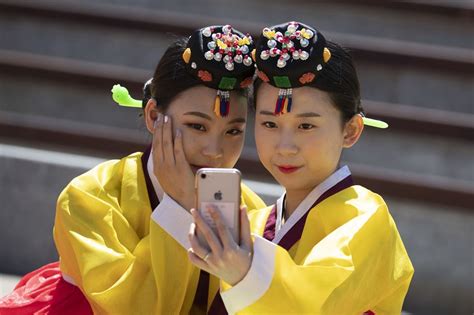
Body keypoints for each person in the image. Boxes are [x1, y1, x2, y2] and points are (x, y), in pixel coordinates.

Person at [0, 25, 265, 314]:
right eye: (197, 126)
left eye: (234, 131)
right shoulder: (91, 196)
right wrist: (179, 207)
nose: (214, 150)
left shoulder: (251, 212)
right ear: (154, 116)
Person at [188, 21, 414, 315]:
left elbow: (313, 306)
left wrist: (245, 274)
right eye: (270, 124)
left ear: (351, 130)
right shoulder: (256, 223)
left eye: (306, 125)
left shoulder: (366, 217)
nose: (285, 146)